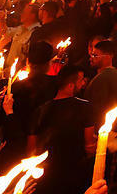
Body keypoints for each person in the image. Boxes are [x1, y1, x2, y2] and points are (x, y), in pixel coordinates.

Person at [29, 64, 96, 194]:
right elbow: (89, 146)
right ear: (71, 85)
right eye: (81, 80)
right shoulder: (85, 108)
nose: (84, 83)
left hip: (45, 176)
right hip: (74, 174)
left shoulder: (40, 110)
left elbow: (31, 149)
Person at [85, 39, 117, 119]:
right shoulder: (116, 73)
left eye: (95, 55)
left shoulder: (104, 77)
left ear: (107, 57)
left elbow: (97, 109)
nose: (91, 58)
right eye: (91, 55)